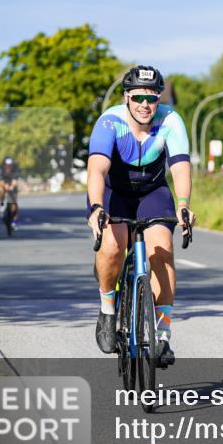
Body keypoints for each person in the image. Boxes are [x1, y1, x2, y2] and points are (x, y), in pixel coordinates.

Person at [86, 65, 196, 367]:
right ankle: (108, 311)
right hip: (114, 193)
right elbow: (97, 168)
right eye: (138, 98)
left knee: (162, 248)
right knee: (112, 245)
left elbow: (180, 166)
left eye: (152, 98)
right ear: (126, 98)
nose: (145, 105)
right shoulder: (109, 122)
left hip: (151, 191)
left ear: (158, 98)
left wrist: (183, 204)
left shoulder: (171, 120)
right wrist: (96, 207)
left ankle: (162, 337)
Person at [0, 157, 20, 229]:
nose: (8, 166)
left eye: (10, 165)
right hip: (4, 183)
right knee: (1, 190)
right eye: (7, 165)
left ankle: (14, 222)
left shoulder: (16, 169)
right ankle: (2, 204)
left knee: (14, 204)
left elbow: (15, 181)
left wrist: (12, 186)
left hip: (12, 184)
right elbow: (1, 181)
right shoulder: (0, 169)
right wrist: (5, 186)